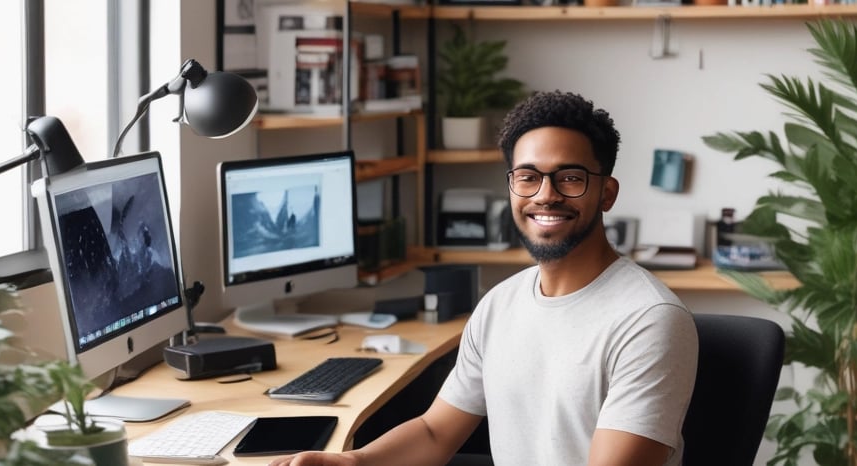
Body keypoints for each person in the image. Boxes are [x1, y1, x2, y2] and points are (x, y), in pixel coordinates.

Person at [269, 90, 699, 466]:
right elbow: (436, 434)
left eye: (570, 178)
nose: (545, 194)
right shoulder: (500, 304)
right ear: (512, 188)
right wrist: (352, 461)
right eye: (528, 177)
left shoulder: (649, 320)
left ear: (606, 193)